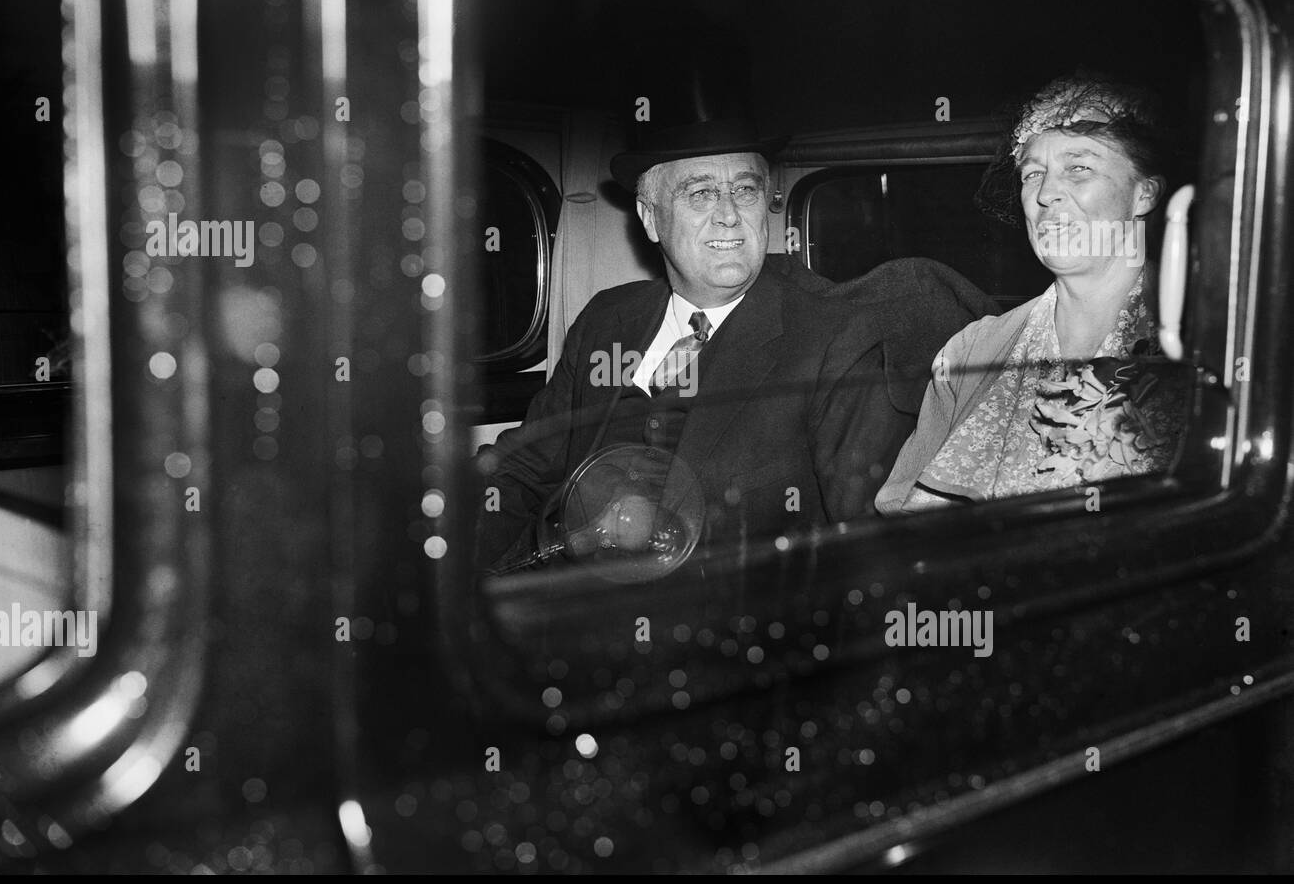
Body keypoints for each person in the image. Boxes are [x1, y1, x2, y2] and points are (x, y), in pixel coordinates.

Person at [475, 119, 988, 572]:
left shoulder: (832, 335)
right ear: (650, 217)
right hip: (561, 586)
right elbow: (524, 467)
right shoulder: (608, 318)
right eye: (699, 193)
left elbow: (865, 543)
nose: (727, 216)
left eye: (744, 191)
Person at [876, 75, 1188, 514]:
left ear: (1144, 193)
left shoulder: (1208, 338)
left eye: (1079, 168)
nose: (1045, 194)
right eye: (1033, 174)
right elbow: (899, 518)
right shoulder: (969, 353)